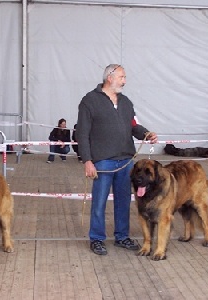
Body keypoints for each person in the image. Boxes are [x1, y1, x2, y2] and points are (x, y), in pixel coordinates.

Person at [76, 64, 157, 255]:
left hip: (126, 161)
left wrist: (146, 134)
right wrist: (87, 160)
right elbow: (82, 133)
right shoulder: (89, 101)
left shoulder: (126, 102)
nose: (125, 81)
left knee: (123, 201)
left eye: (125, 77)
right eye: (122, 77)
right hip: (103, 162)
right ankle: (96, 239)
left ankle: (122, 237)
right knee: (99, 202)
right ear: (110, 77)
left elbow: (134, 126)